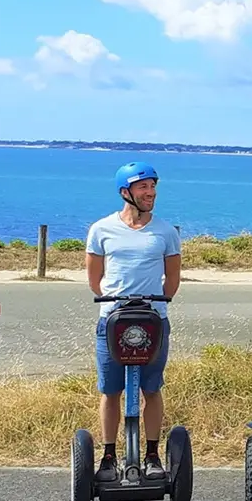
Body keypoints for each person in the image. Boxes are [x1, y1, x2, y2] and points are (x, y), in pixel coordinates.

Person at [86, 161, 183, 483]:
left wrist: (156, 304)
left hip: (153, 319)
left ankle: (153, 454)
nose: (150, 192)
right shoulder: (102, 229)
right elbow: (95, 279)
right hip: (113, 320)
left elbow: (172, 280)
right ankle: (109, 455)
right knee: (110, 390)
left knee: (151, 388)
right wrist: (115, 303)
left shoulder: (166, 231)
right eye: (143, 187)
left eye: (153, 186)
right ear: (125, 192)